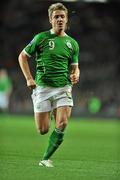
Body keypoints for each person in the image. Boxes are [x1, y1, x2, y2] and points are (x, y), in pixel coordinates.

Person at [18, 2, 80, 167]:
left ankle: (45, 159)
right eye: (56, 17)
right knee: (43, 130)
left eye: (62, 16)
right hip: (43, 87)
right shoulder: (41, 38)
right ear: (50, 20)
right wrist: (29, 78)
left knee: (63, 123)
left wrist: (75, 75)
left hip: (63, 87)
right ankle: (47, 108)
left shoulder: (73, 44)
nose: (60, 19)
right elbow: (22, 56)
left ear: (66, 20)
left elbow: (75, 67)